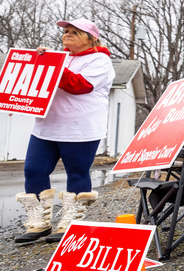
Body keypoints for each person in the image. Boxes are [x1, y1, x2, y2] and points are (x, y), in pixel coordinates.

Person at [15, 18, 115, 244]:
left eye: (75, 32)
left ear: (91, 40)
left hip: (80, 129)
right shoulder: (61, 58)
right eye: (66, 31)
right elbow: (33, 84)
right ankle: (38, 222)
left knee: (76, 173)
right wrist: (17, 101)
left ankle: (72, 223)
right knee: (33, 171)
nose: (67, 34)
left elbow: (78, 85)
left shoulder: (100, 60)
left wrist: (52, 63)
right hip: (46, 126)